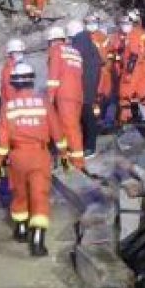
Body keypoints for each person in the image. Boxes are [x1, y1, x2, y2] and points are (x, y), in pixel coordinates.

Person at [0, 62, 63, 257]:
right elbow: (57, 132)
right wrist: (64, 155)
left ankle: (21, 230)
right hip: (40, 156)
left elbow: (2, 139)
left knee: (20, 194)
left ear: (13, 83)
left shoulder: (8, 107)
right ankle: (38, 240)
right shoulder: (43, 103)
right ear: (32, 80)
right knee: (39, 196)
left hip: (17, 157)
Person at [46, 25, 86, 171]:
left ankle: (77, 164)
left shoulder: (56, 51)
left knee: (69, 129)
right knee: (73, 127)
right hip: (77, 94)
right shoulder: (75, 52)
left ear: (51, 41)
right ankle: (70, 160)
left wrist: (49, 98)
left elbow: (53, 77)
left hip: (64, 95)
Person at [116, 11, 145, 127]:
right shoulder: (140, 34)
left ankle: (125, 124)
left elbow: (133, 55)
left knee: (124, 97)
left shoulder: (133, 35)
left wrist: (128, 72)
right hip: (142, 71)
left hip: (133, 70)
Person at [67, 18, 103, 158]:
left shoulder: (80, 44)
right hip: (89, 85)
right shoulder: (86, 41)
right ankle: (87, 145)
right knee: (86, 116)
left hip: (85, 86)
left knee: (87, 117)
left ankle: (90, 147)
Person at [86, 15, 114, 121]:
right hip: (94, 71)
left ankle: (104, 120)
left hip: (104, 70)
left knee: (106, 95)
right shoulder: (86, 37)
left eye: (92, 22)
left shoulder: (103, 37)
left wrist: (109, 64)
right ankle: (97, 119)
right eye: (89, 22)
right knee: (96, 97)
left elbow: (110, 52)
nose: (91, 25)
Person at [0, 38, 26, 106]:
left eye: (21, 52)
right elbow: (9, 91)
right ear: (11, 54)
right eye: (18, 53)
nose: (21, 55)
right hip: (13, 105)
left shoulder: (17, 66)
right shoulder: (10, 69)